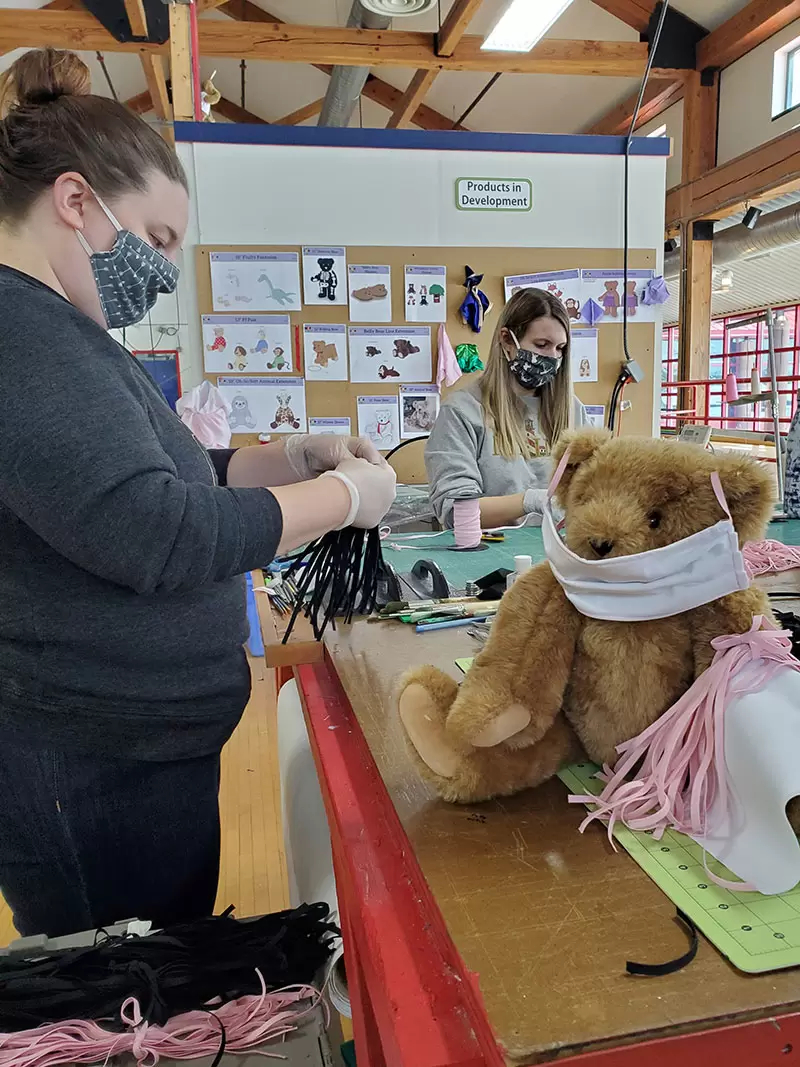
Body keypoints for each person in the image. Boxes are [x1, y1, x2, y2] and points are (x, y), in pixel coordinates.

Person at [0, 48, 396, 938]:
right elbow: (159, 532)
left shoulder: (63, 332)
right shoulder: (20, 335)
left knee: (160, 968)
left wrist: (294, 456)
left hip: (133, 752)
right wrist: (340, 498)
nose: (166, 272)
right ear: (74, 201)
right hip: (91, 762)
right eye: (160, 241)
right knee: (120, 998)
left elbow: (183, 474)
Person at [426, 287, 587, 529]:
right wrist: (530, 501)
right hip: (490, 554)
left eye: (560, 348)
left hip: (563, 551)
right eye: (542, 344)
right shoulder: (462, 412)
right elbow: (456, 512)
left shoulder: (573, 410)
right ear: (506, 340)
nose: (552, 357)